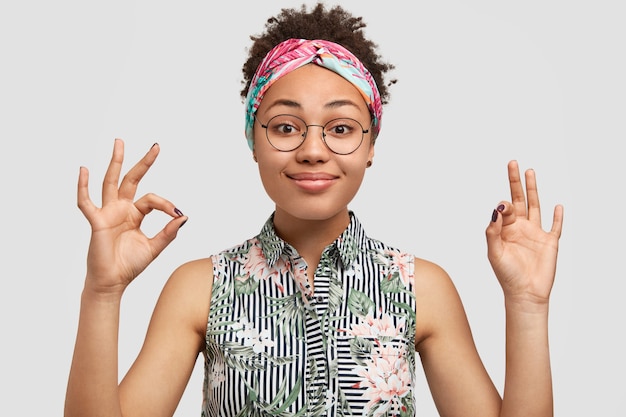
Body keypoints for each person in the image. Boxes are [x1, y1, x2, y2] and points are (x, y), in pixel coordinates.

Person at [64, 3, 564, 417]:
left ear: (371, 145)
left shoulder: (422, 288)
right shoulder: (198, 288)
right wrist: (102, 293)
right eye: (285, 127)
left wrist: (528, 305)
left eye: (341, 128)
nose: (313, 150)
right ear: (253, 141)